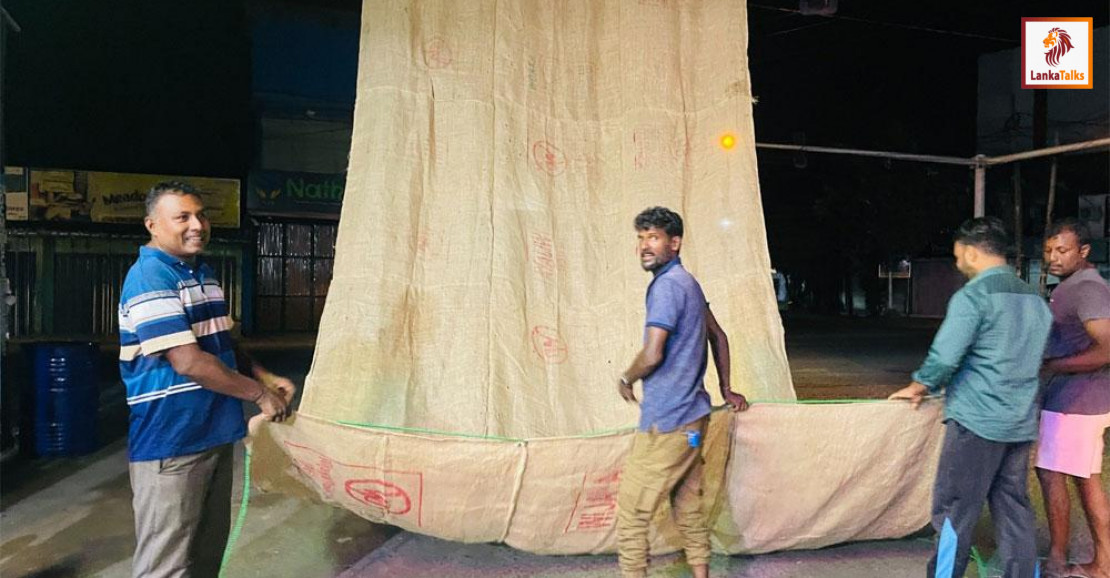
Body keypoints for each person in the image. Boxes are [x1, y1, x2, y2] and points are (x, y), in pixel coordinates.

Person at [119, 181, 296, 577]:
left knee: (204, 556)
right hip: (171, 442)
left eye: (201, 214)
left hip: (212, 434)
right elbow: (188, 361)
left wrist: (264, 376)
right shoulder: (150, 277)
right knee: (166, 564)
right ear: (152, 225)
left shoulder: (202, 273)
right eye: (182, 217)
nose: (197, 224)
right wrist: (258, 395)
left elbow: (222, 344)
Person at [889, 216, 1051, 578]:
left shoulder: (973, 297)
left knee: (954, 511)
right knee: (1013, 508)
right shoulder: (1036, 300)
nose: (958, 264)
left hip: (976, 423)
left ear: (974, 253)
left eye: (958, 256)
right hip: (1020, 422)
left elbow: (945, 356)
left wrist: (919, 385)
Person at [615, 206, 749, 578]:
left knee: (632, 513)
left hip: (669, 424)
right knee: (687, 502)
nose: (644, 245)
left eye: (653, 238)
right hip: (693, 426)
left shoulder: (666, 288)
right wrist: (726, 388)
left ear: (675, 243)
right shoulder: (689, 283)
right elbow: (717, 335)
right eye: (641, 238)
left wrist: (627, 378)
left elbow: (654, 352)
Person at [1037, 219, 1110, 578]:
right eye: (1049, 249)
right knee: (1086, 479)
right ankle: (1102, 563)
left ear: (1083, 252)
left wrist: (1053, 365)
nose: (1053, 257)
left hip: (1076, 403)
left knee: (1051, 475)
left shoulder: (1087, 289)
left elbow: (1107, 349)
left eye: (1062, 250)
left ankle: (1056, 559)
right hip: (1079, 400)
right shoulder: (1073, 286)